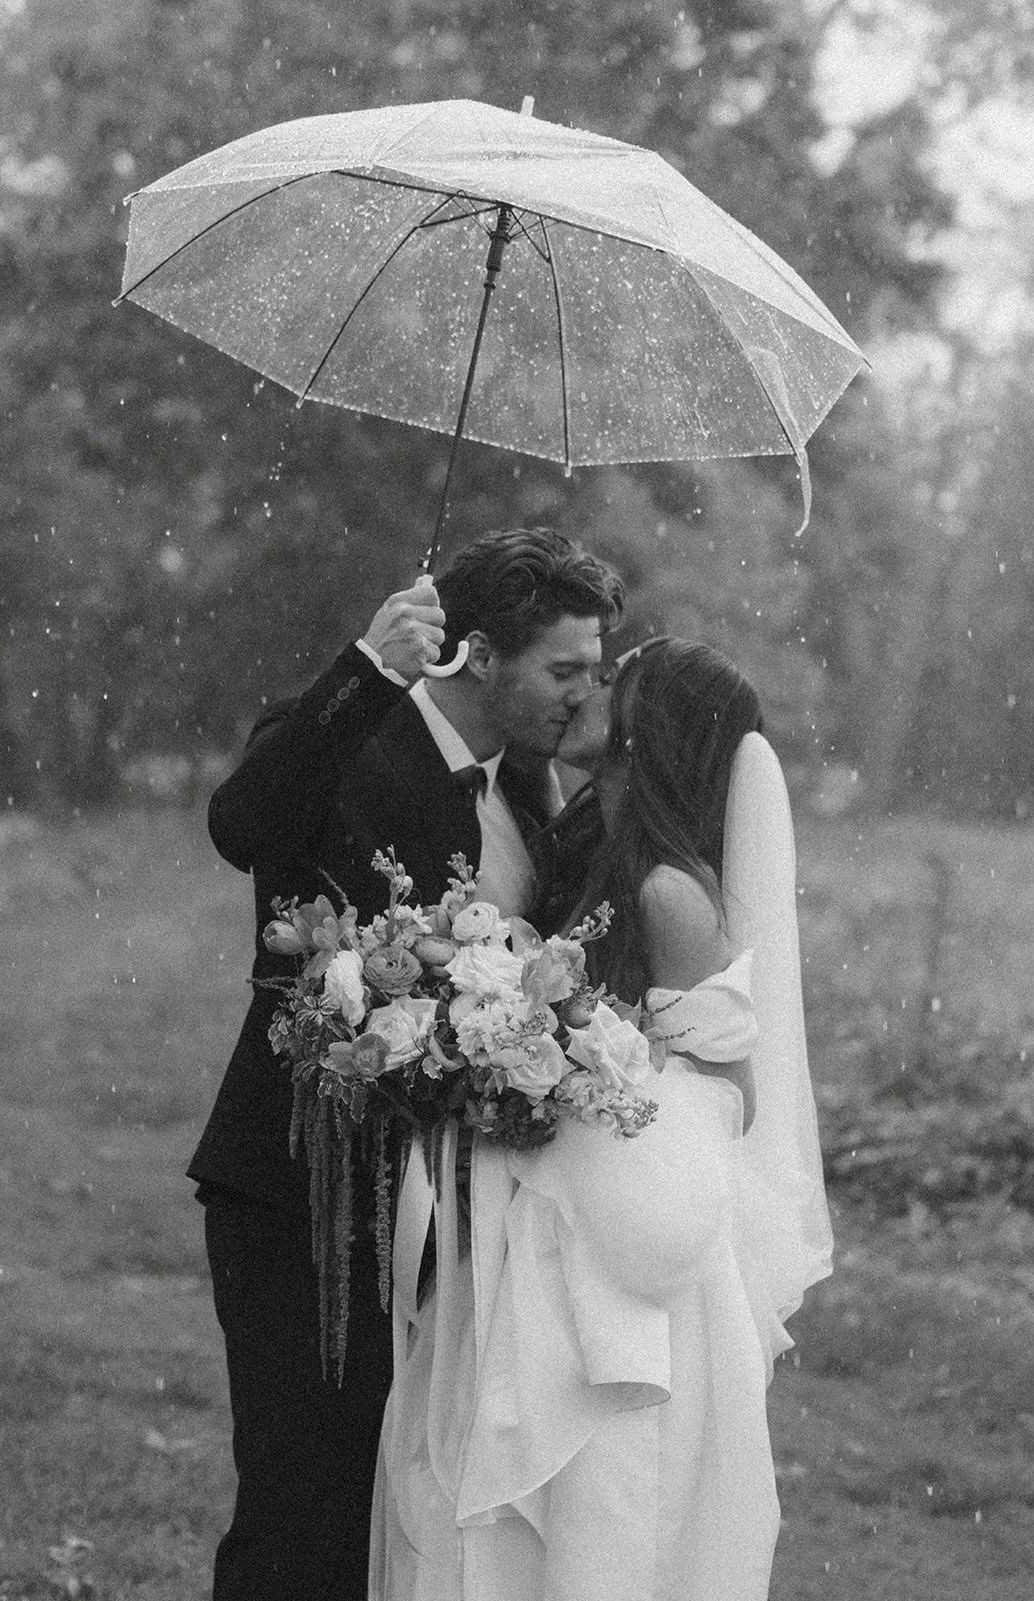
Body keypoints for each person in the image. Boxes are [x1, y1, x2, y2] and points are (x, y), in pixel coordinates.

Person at [189, 527, 624, 1601]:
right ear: (478, 654)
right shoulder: (345, 734)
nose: (586, 693)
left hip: (463, 1219)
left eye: (594, 670)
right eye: (564, 670)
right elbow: (242, 822)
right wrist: (369, 668)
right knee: (305, 1508)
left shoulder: (529, 789)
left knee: (411, 1509)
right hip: (305, 1193)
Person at [370, 636, 833, 1601]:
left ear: (646, 726)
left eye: (611, 677)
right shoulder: (576, 841)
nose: (586, 689)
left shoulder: (670, 895)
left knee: (596, 1517)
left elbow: (724, 1096)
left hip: (614, 1265)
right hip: (532, 1232)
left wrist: (575, 1070)